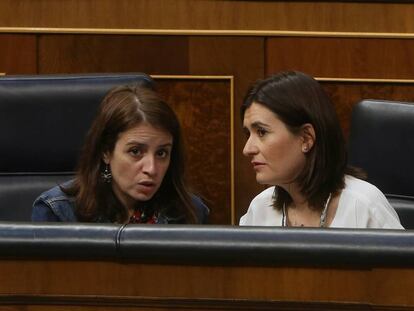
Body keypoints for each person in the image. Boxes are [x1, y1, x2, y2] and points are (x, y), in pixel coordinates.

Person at [239, 71, 403, 229]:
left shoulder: (365, 206)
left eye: (262, 132)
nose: (247, 149)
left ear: (306, 138)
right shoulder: (260, 208)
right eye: (248, 134)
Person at [32, 83, 208, 224]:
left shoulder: (191, 212)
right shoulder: (58, 212)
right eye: (136, 151)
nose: (151, 169)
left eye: (162, 153)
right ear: (106, 152)